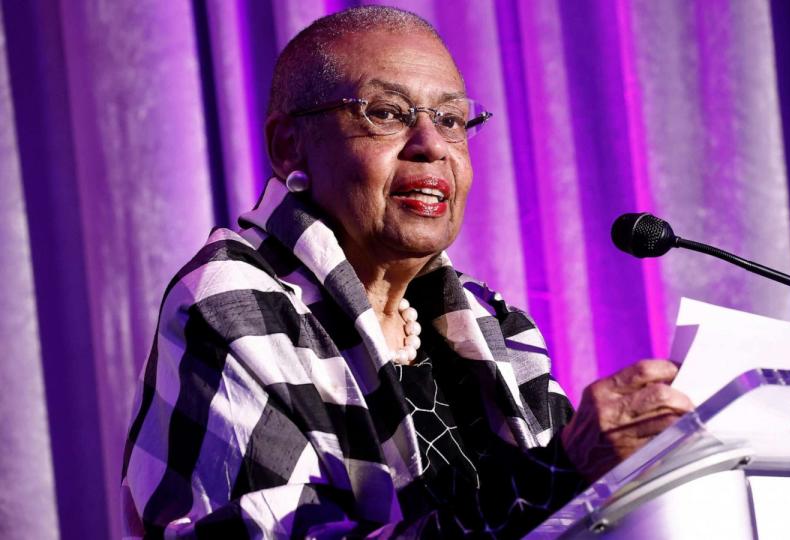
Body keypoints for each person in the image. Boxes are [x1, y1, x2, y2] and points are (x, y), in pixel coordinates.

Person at [121, 6, 693, 539]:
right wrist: (563, 469)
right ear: (289, 145)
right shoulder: (235, 302)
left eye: (451, 119)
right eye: (388, 113)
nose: (431, 146)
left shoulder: (493, 322)